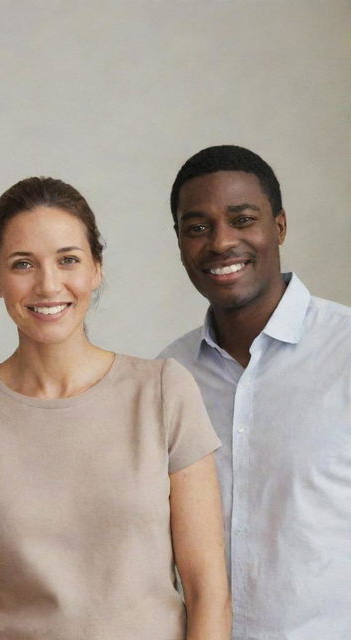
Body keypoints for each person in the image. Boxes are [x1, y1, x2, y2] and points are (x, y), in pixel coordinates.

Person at [0, 176, 230, 640]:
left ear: (95, 269)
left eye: (68, 260)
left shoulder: (163, 391)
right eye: (23, 264)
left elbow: (208, 589)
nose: (48, 285)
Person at [159, 145, 351, 639]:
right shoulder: (167, 375)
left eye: (242, 219)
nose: (221, 243)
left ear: (279, 227)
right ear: (179, 242)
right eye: (197, 227)